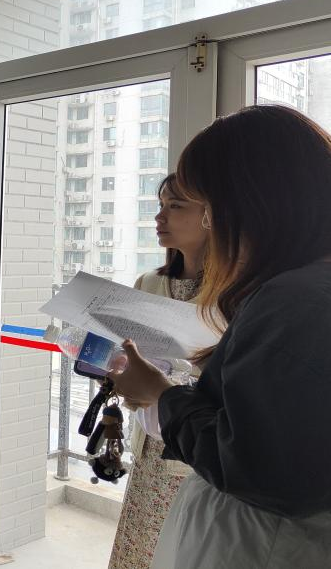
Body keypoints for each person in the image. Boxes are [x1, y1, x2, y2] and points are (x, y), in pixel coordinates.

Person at [111, 105, 331, 568]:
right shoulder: (302, 289)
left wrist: (162, 395)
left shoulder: (292, 301)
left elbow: (257, 464)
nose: (211, 224)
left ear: (253, 204)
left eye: (207, 206)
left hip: (262, 544)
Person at [108, 173, 208, 569]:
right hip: (150, 447)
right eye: (160, 205)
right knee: (141, 550)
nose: (159, 216)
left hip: (196, 455)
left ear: (211, 215)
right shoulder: (148, 282)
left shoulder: (234, 292)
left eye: (175, 206)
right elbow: (129, 353)